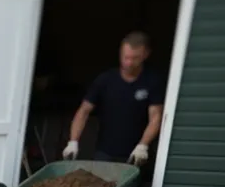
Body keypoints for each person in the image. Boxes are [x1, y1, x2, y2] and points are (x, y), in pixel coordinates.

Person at [63, 31, 164, 165]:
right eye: (125, 57)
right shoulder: (105, 80)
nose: (128, 62)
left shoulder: (152, 81)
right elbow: (84, 111)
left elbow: (156, 116)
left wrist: (143, 145)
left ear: (146, 55)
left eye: (135, 58)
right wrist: (73, 141)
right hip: (104, 152)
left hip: (135, 154)